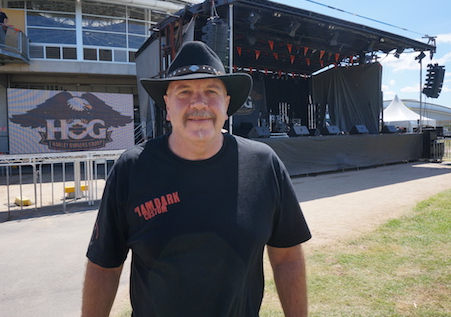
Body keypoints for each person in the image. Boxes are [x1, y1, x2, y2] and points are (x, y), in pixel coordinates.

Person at [82, 41, 311, 317]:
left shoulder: (264, 164)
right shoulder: (131, 168)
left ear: (226, 105)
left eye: (211, 91)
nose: (198, 103)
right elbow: (104, 266)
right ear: (167, 106)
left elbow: (287, 258)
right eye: (184, 91)